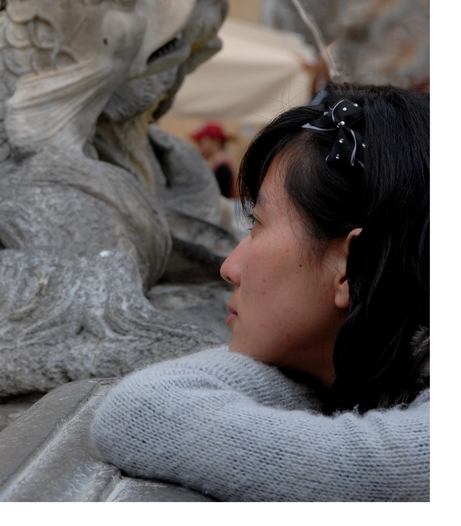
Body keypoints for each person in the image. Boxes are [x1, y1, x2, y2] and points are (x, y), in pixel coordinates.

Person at [91, 84, 430, 502]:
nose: (228, 268)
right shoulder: (371, 365)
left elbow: (141, 412)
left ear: (350, 267)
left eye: (258, 225)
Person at [190, 122, 235, 198]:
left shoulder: (223, 167)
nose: (199, 147)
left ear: (215, 141)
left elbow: (221, 196)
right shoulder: (217, 164)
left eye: (201, 142)